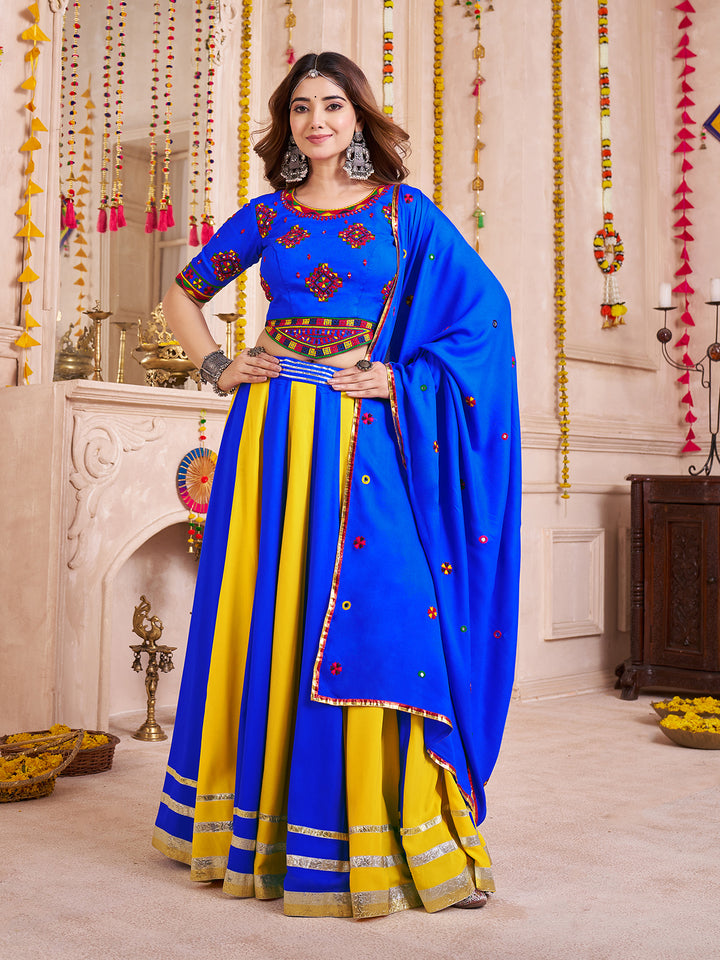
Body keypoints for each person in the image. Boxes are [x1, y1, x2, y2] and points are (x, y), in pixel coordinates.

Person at [153, 50, 521, 920]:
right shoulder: (268, 217)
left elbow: (485, 317)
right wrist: (215, 365)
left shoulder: (407, 215)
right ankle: (263, 832)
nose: (318, 122)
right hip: (271, 434)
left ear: (359, 118)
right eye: (303, 108)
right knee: (271, 610)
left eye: (333, 106)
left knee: (390, 609)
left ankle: (402, 826)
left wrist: (400, 380)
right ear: (287, 124)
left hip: (363, 435)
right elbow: (183, 292)